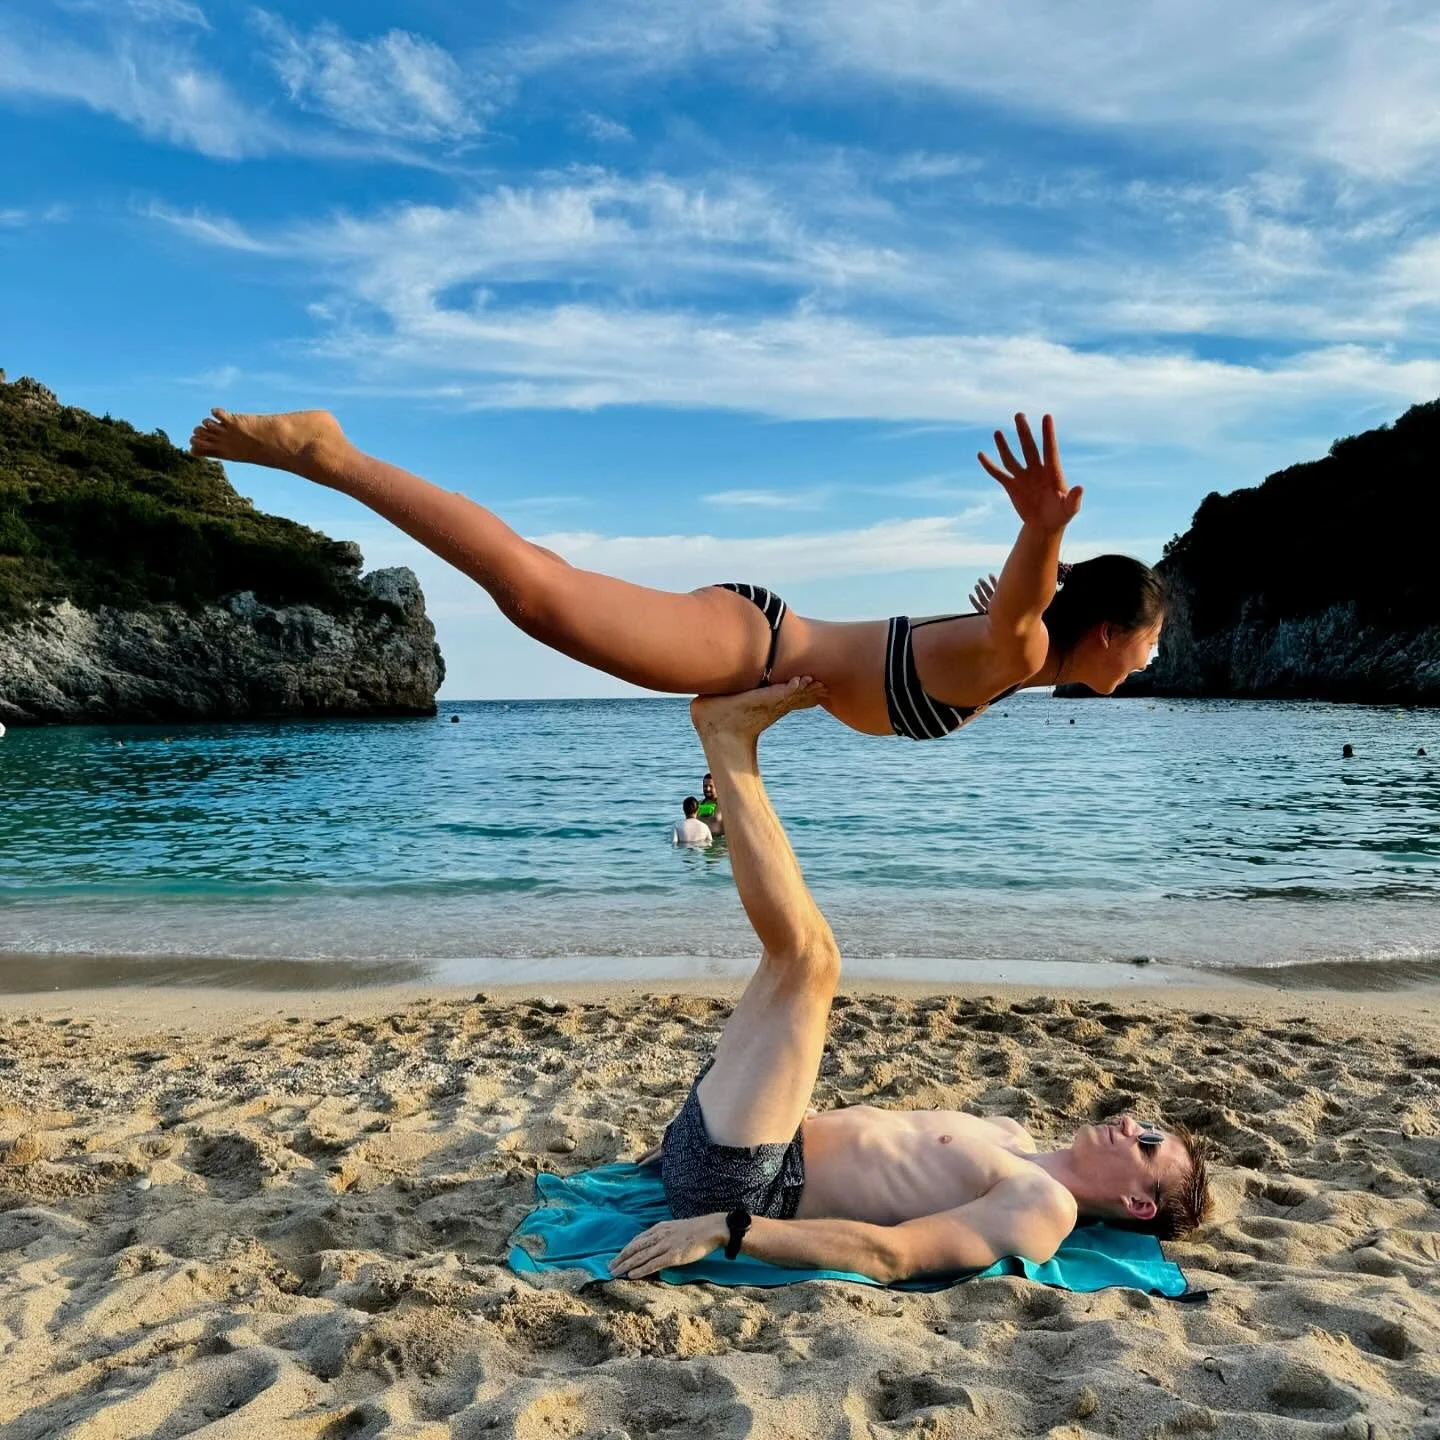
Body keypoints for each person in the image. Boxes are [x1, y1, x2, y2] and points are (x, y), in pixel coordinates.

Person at [611, 679, 1211, 1282]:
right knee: (785, 961)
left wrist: (726, 1229)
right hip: (728, 1137)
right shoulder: (1008, 1132)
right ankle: (730, 742)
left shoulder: (1043, 1207)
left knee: (810, 960)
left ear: (1139, 1203)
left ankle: (730, 743)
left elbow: (891, 1254)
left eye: (1148, 1146)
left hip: (745, 1188)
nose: (1133, 1125)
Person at [189, 409, 1164, 743]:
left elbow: (1012, 614)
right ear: (1109, 632)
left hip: (756, 649)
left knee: (544, 590)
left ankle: (337, 457)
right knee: (536, 594)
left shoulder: (1020, 652)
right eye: (1152, 647)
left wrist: (1029, 571)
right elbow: (1024, 611)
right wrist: (1038, 531)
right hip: (754, 644)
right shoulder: (1022, 646)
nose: (1152, 664)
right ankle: (334, 456)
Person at [695, 772, 723, 838]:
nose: (707, 789)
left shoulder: (723, 804)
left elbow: (716, 819)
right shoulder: (698, 803)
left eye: (711, 786)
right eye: (705, 786)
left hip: (718, 842)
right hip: (701, 843)